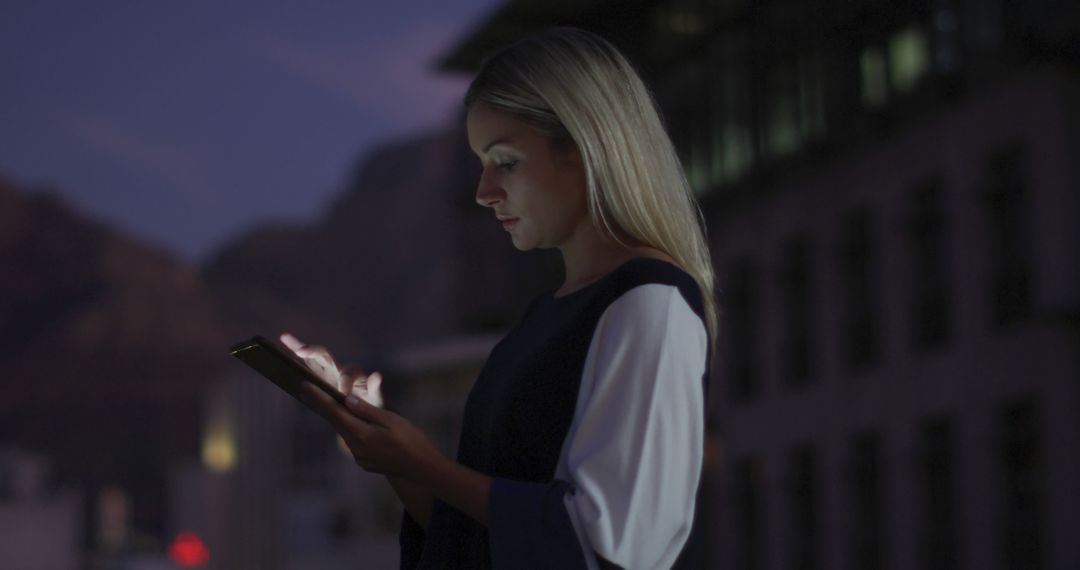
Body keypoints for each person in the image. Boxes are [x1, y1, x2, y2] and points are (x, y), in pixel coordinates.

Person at [284, 27, 717, 569]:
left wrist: (428, 466)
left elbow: (613, 544)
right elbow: (479, 534)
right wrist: (394, 457)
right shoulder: (546, 315)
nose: (484, 192)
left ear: (584, 150)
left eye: (505, 161)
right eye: (480, 164)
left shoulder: (649, 304)